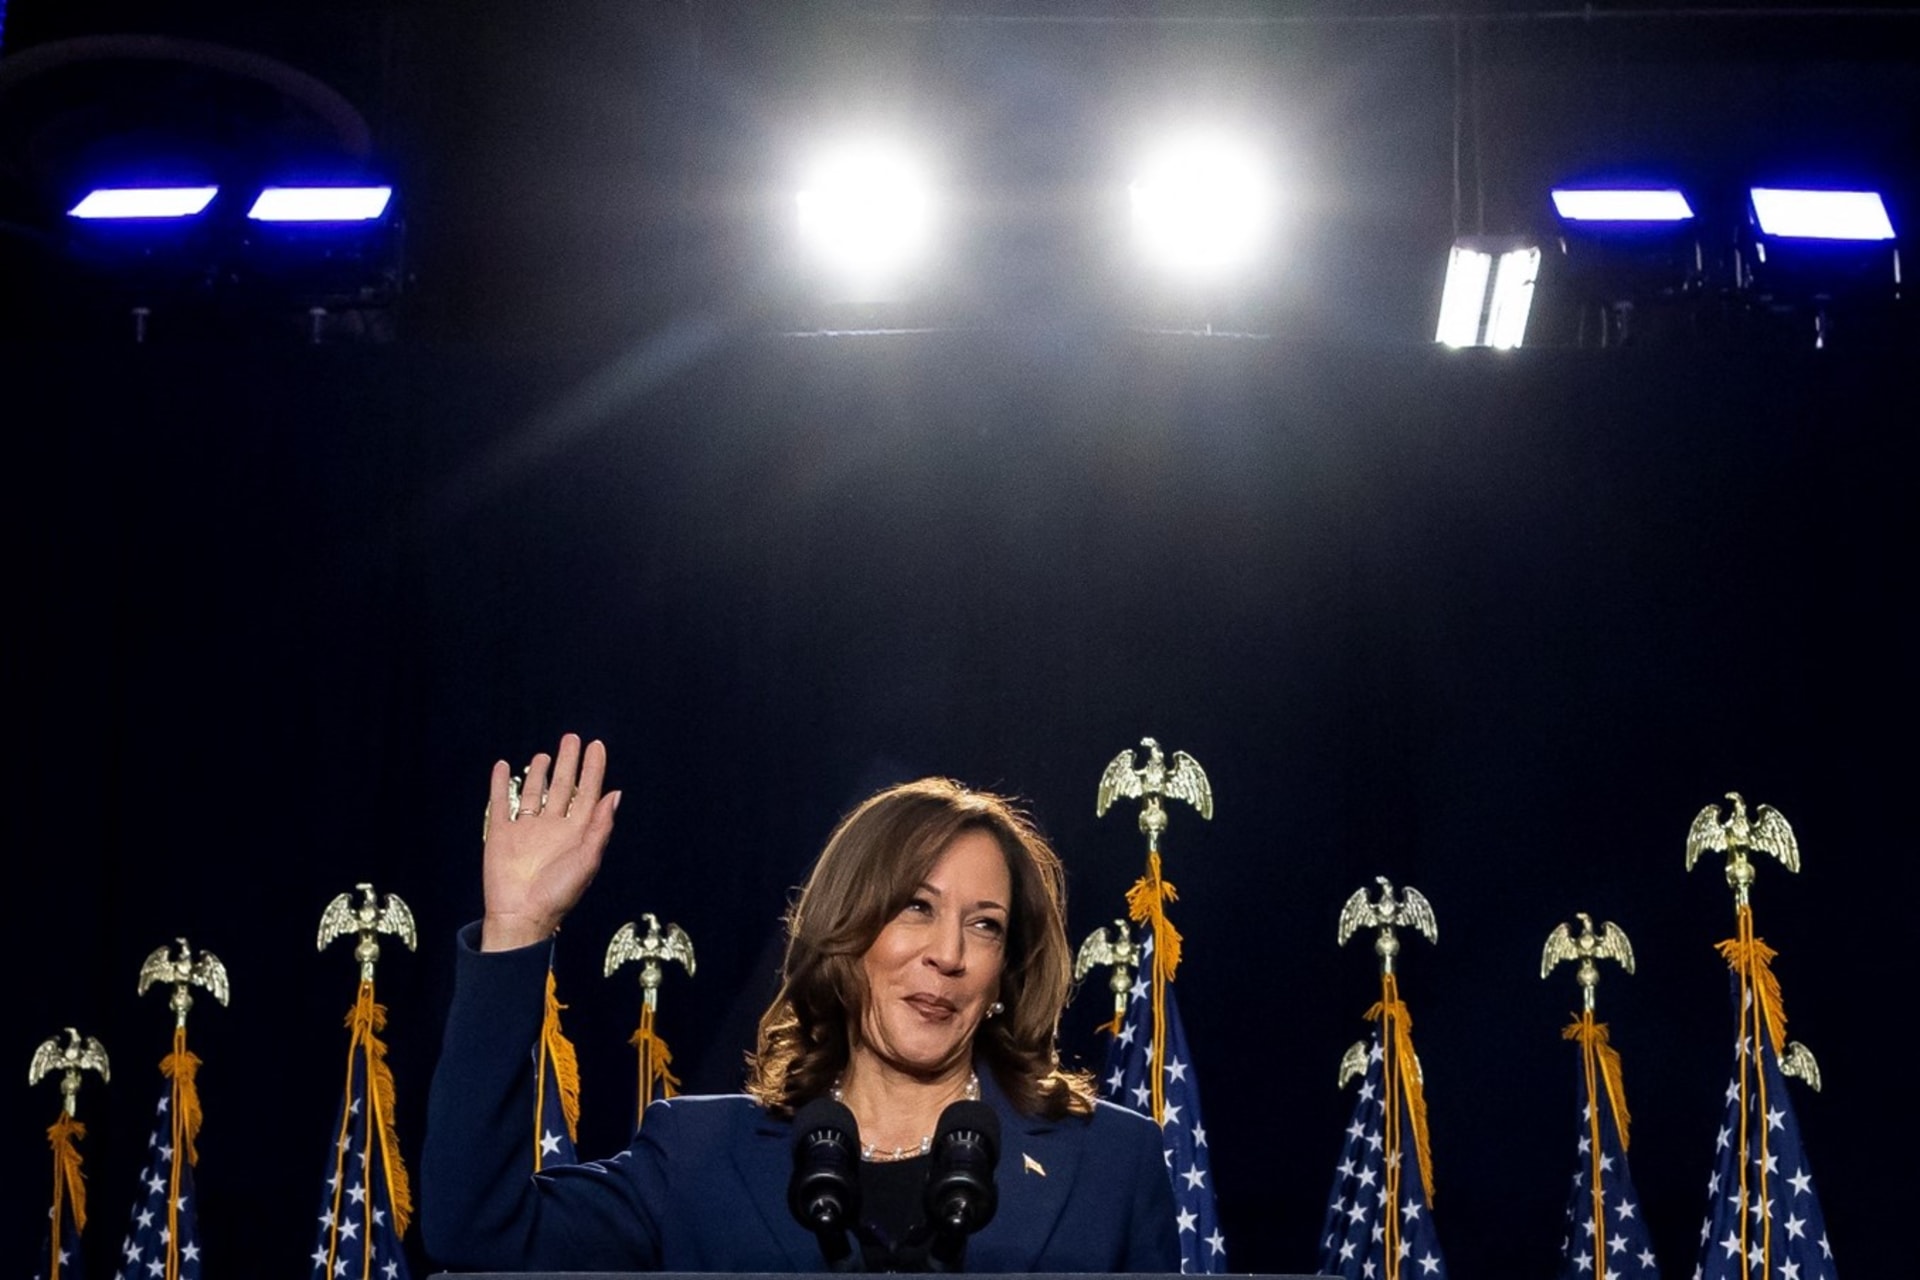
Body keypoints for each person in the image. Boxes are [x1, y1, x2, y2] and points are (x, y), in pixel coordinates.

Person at [421, 733, 1179, 1272]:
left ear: (1005, 973)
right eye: (915, 907)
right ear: (844, 932)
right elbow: (478, 1228)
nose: (948, 953)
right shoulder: (698, 1156)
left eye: (985, 925)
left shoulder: (1113, 1165)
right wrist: (517, 929)